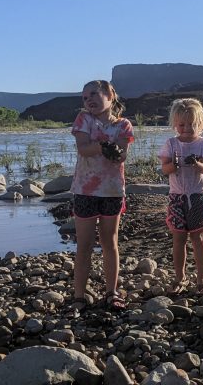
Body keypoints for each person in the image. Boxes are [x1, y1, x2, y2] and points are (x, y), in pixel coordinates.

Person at [70, 80, 134, 310]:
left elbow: (121, 156)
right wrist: (102, 146)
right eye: (85, 97)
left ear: (110, 95)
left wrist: (113, 150)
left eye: (94, 94)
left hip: (112, 191)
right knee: (84, 245)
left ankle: (112, 292)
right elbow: (83, 149)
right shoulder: (83, 120)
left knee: (110, 242)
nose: (89, 100)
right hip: (85, 191)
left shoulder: (124, 125)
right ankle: (78, 295)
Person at [158, 98, 203, 295]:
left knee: (198, 237)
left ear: (200, 124)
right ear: (175, 124)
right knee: (178, 238)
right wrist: (172, 165)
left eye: (191, 124)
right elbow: (165, 169)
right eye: (182, 124)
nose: (186, 128)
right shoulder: (171, 143)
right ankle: (179, 277)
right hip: (177, 196)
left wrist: (196, 164)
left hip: (198, 195)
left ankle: (201, 278)